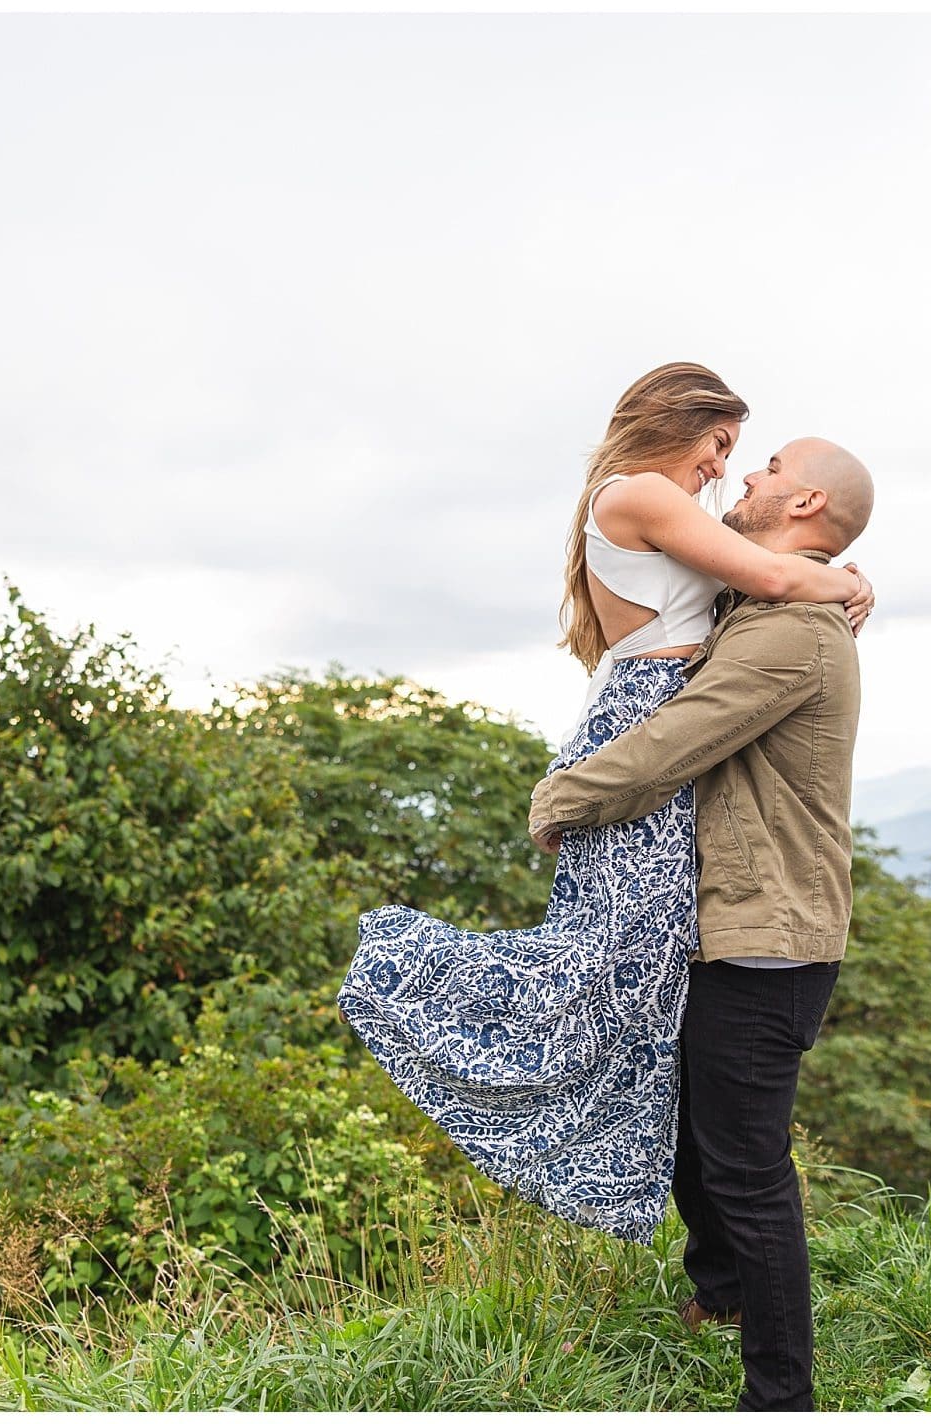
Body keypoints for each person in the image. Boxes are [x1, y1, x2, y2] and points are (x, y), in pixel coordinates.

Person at [337, 363, 872, 1244]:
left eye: (743, 456)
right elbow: (775, 582)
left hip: (663, 731)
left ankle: (704, 1258)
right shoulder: (641, 494)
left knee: (642, 987)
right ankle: (413, 981)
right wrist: (847, 583)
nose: (723, 469)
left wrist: (845, 573)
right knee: (600, 969)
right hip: (645, 737)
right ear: (680, 423)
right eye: (721, 444)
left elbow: (763, 577)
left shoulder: (675, 517)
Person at [527, 437, 875, 1411]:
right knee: (695, 1130)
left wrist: (563, 797)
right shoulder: (773, 604)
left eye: (764, 467)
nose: (744, 478)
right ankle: (721, 1295)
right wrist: (850, 576)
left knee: (749, 1167)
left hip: (771, 937)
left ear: (804, 499)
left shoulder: (789, 633)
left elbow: (681, 737)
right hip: (738, 924)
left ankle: (779, 1394)